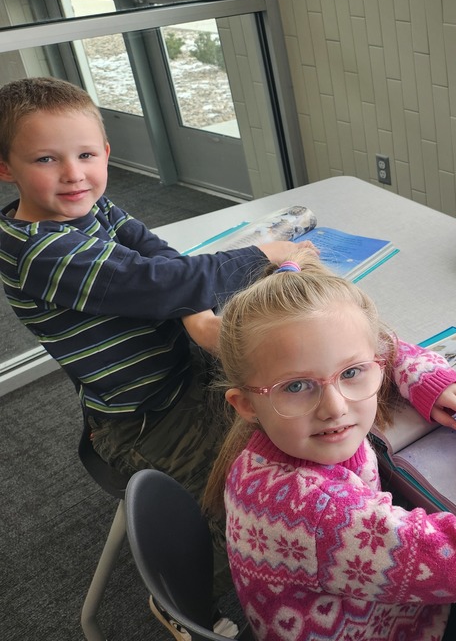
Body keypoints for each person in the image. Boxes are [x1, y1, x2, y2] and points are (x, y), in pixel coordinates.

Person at [0, 75, 312, 635]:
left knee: (289, 410)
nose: (73, 173)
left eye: (86, 154)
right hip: (146, 419)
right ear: (6, 168)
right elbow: (155, 282)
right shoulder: (42, 251)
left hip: (180, 373)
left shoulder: (89, 206)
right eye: (47, 159)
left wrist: (193, 308)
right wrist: (260, 256)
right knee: (235, 507)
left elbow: (152, 251)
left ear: (105, 154)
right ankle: (182, 597)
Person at [202, 250, 456, 641]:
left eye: (350, 373)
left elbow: (379, 344)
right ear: (246, 404)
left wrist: (429, 379)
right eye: (296, 386)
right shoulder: (314, 512)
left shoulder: (277, 434)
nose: (335, 408)